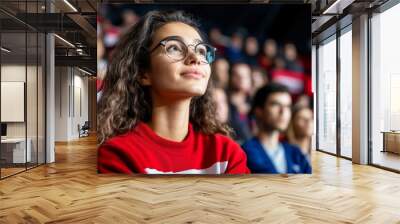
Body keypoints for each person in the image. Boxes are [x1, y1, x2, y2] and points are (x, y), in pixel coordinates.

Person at [97, 10, 250, 174]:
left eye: (201, 51)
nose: (195, 58)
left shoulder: (226, 153)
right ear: (143, 73)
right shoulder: (118, 154)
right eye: (174, 48)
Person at [241, 83, 311, 174]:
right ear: (259, 111)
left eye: (287, 106)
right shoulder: (244, 152)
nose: (283, 111)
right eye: (275, 105)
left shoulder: (296, 154)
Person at [228, 62, 253, 144]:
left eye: (245, 76)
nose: (241, 79)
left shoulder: (255, 104)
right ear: (230, 77)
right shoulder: (222, 102)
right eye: (237, 75)